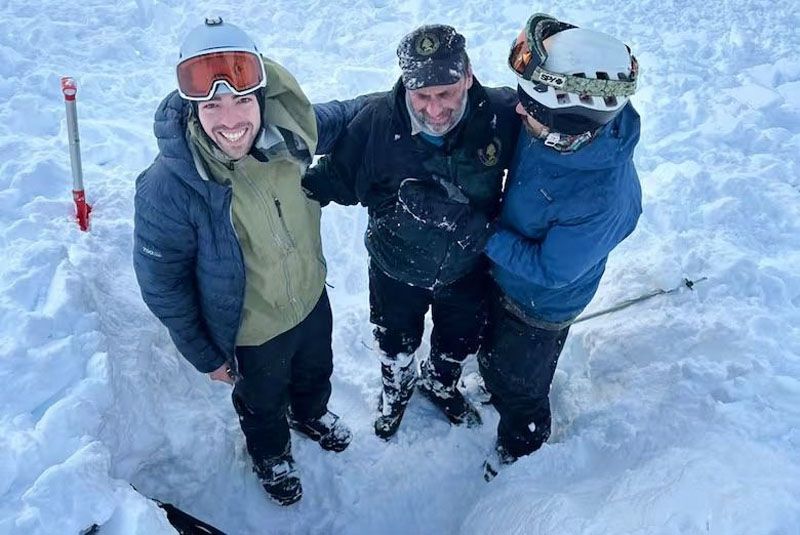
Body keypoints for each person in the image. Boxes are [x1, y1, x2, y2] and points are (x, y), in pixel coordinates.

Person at [132, 18, 361, 506]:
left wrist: (407, 98)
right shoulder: (169, 187)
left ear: (261, 97)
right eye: (212, 105)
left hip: (311, 299)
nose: (230, 119)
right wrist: (205, 354)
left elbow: (349, 115)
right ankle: (271, 453)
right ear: (194, 109)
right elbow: (162, 283)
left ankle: (311, 412)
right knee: (260, 402)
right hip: (250, 332)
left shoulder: (290, 135)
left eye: (241, 100)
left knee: (315, 369)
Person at [302, 25, 519, 439]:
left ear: (468, 77)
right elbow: (331, 181)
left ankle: (441, 382)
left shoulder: (499, 114)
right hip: (395, 268)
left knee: (459, 340)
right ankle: (396, 390)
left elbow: (550, 134)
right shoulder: (375, 126)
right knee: (395, 343)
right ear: (406, 86)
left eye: (446, 93)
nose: (435, 110)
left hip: (467, 267)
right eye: (422, 96)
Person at [479, 13, 642, 480]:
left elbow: (552, 271)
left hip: (540, 304)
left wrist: (484, 235)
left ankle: (521, 448)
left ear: (563, 125)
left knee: (523, 383)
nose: (517, 109)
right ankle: (494, 381)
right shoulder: (560, 128)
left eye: (529, 106)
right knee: (494, 349)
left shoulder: (601, 199)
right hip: (505, 270)